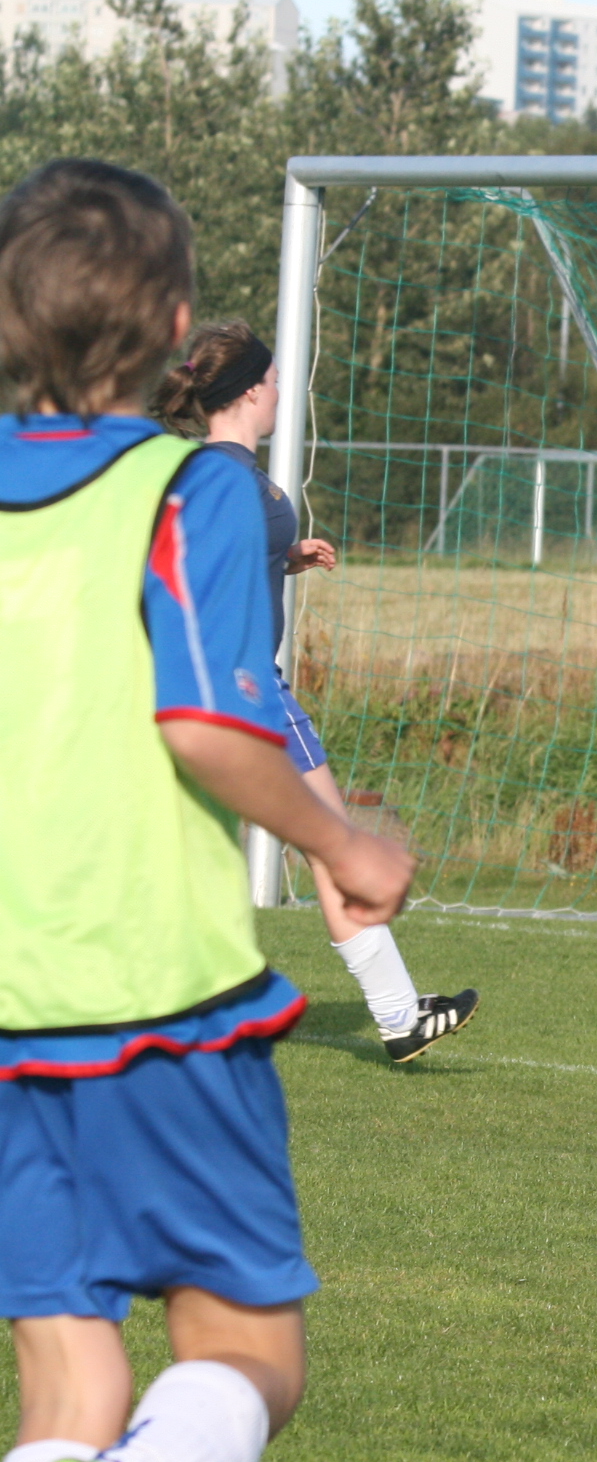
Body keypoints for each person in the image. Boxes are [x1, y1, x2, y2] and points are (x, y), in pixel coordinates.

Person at [0, 160, 415, 1462]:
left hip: (4, 1012)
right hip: (153, 998)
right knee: (247, 1349)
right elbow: (205, 722)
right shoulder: (192, 492)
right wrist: (345, 840)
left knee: (66, 1377)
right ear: (180, 325)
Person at [152, 321, 475, 1064]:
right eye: (274, 382)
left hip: (215, 684)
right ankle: (397, 1015)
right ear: (251, 392)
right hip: (249, 688)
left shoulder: (208, 474)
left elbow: (211, 563)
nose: (280, 394)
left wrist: (285, 555)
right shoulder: (230, 480)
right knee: (335, 845)